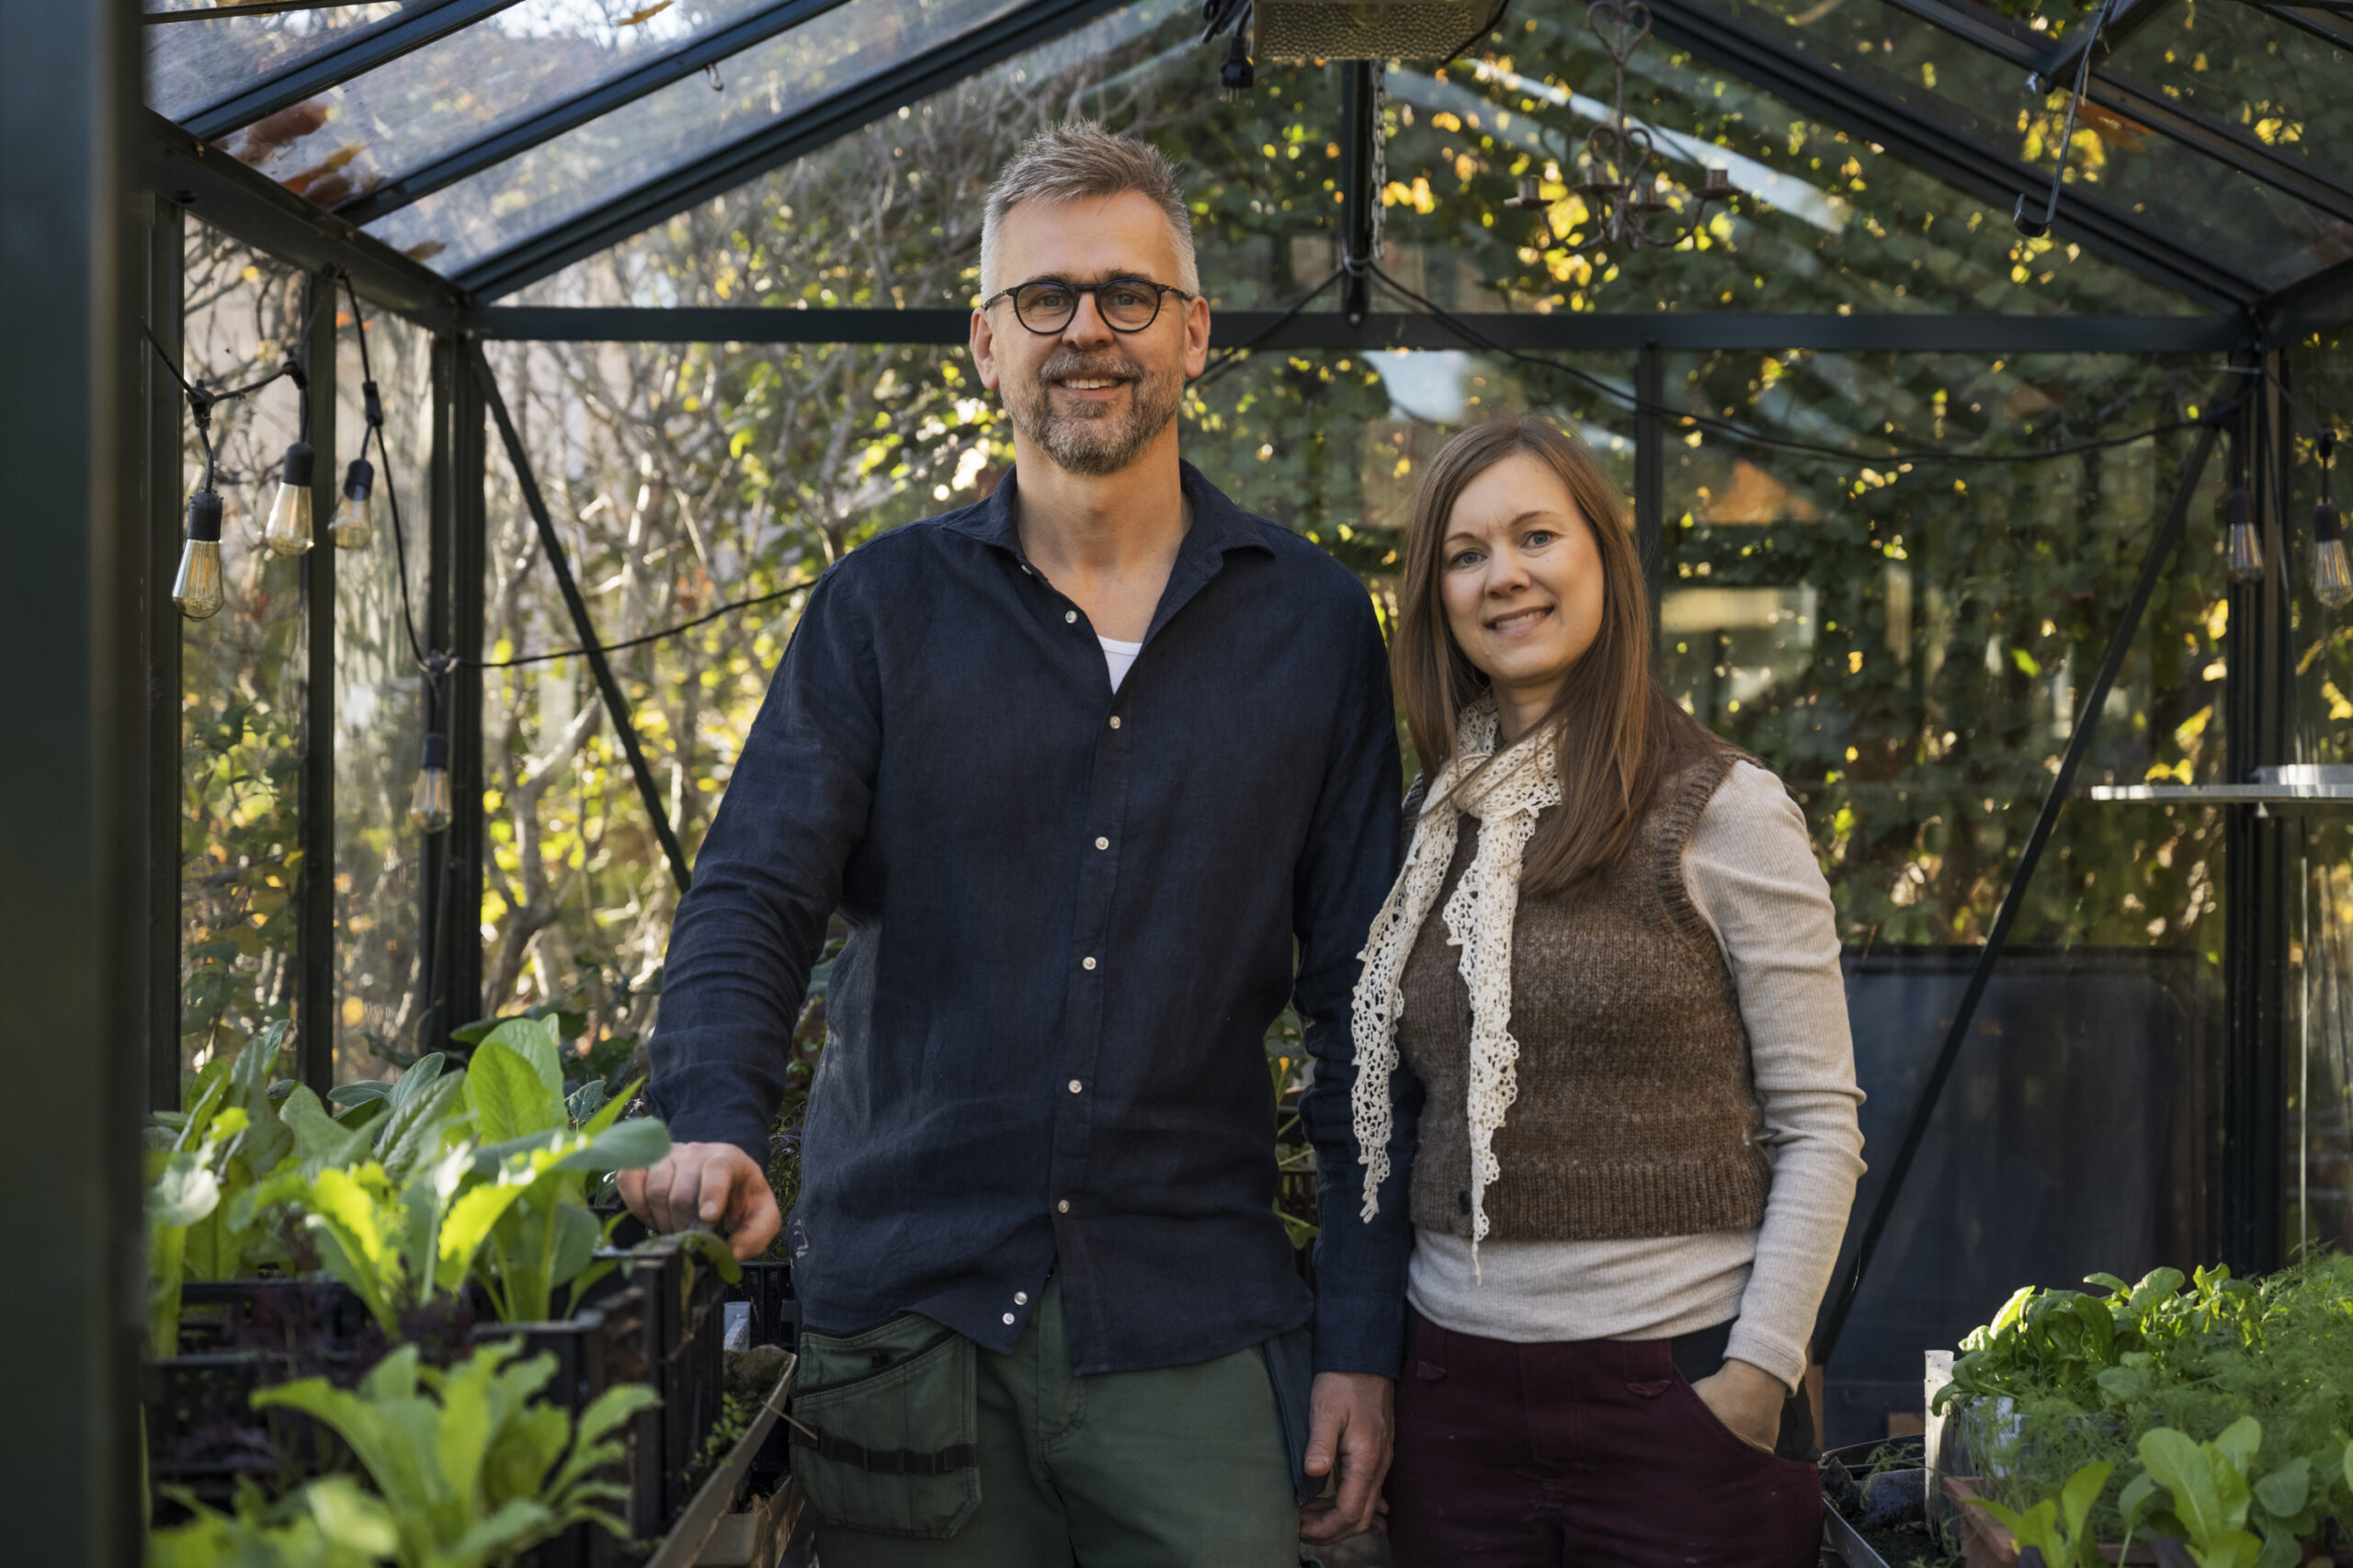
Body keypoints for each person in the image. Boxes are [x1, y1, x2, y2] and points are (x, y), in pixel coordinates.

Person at [618, 123, 1407, 1566]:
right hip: (913, 1333)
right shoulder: (878, 614)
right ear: (986, 343)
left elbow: (1364, 1001)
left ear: (1195, 331)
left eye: (1127, 294)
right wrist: (713, 1115)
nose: (1086, 330)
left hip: (1196, 1332)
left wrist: (1362, 1331)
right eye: (1044, 299)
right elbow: (754, 891)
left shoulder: (1312, 626)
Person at [1350, 415, 1866, 1566]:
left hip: (1677, 1397)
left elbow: (1819, 1123)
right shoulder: (1426, 831)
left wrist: (1754, 1373)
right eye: (1465, 553)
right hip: (1453, 1399)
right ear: (1436, 595)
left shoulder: (1723, 808)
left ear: (1602, 560)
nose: (1504, 575)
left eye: (1537, 534)